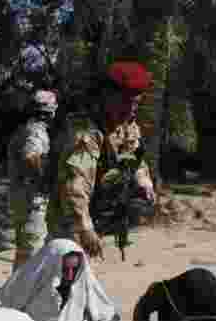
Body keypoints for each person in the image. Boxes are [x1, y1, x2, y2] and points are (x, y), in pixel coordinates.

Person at [47, 62, 156, 260]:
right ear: (107, 97)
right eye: (125, 103)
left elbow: (134, 157)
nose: (131, 110)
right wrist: (85, 229)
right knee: (64, 272)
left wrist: (143, 182)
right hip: (68, 218)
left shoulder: (126, 125)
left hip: (95, 213)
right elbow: (75, 185)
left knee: (82, 272)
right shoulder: (86, 132)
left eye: (136, 104)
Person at [7, 90, 58, 271]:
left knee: (26, 249)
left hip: (23, 196)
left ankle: (18, 284)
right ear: (51, 112)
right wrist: (44, 181)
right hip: (31, 199)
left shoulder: (25, 129)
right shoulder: (36, 132)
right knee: (32, 251)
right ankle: (24, 286)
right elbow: (30, 157)